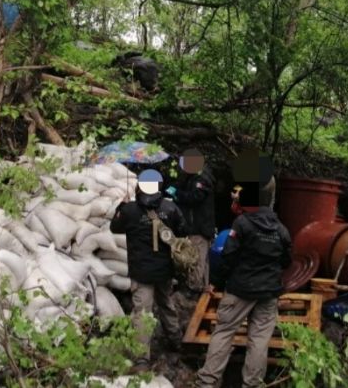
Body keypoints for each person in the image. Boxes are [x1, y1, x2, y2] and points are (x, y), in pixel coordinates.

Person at [196, 178, 292, 388]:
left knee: (224, 332)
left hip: (240, 289)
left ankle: (207, 383)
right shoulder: (281, 230)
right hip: (268, 293)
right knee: (259, 340)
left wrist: (215, 282)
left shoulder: (242, 223)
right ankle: (252, 384)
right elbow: (286, 261)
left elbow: (228, 256)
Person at [110, 169, 187, 373]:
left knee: (142, 314)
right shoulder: (170, 208)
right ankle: (176, 340)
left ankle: (141, 359)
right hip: (164, 270)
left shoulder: (129, 210)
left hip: (141, 271)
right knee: (166, 304)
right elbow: (182, 230)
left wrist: (121, 205)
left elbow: (114, 228)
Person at [165, 148, 215, 292]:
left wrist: (176, 194)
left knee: (196, 261)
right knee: (201, 262)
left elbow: (193, 198)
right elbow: (181, 186)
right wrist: (173, 188)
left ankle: (193, 291)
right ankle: (202, 289)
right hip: (196, 227)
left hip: (199, 228)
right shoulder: (192, 177)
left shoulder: (202, 179)